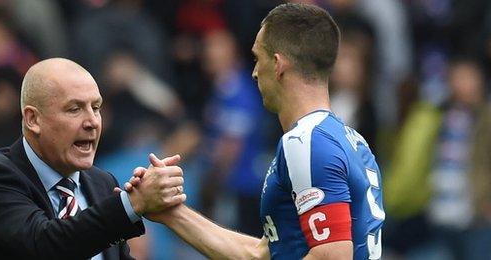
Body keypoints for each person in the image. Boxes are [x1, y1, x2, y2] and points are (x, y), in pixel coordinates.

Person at [125, 3, 385, 259]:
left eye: (257, 58)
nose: (254, 72)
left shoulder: (307, 142)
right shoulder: (351, 141)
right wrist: (169, 213)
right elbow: (262, 253)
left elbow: (332, 257)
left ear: (278, 64)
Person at [0, 58, 187, 259]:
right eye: (74, 109)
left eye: (95, 108)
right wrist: (133, 203)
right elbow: (48, 246)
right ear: (33, 119)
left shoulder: (102, 183)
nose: (92, 121)